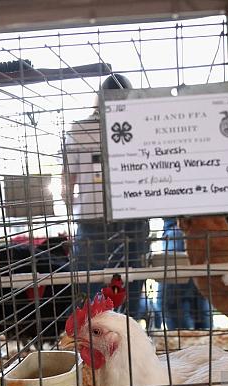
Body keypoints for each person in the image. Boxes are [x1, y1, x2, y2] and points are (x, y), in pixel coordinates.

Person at [63, 74, 150, 320]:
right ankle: (128, 339)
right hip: (134, 217)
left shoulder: (79, 129)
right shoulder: (141, 126)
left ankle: (91, 337)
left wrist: (73, 211)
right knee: (130, 284)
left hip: (92, 220)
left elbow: (67, 182)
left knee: (89, 288)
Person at [157, 217, 212, 330]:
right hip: (197, 227)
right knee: (198, 300)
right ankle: (204, 343)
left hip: (182, 226)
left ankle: (185, 344)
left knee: (171, 302)